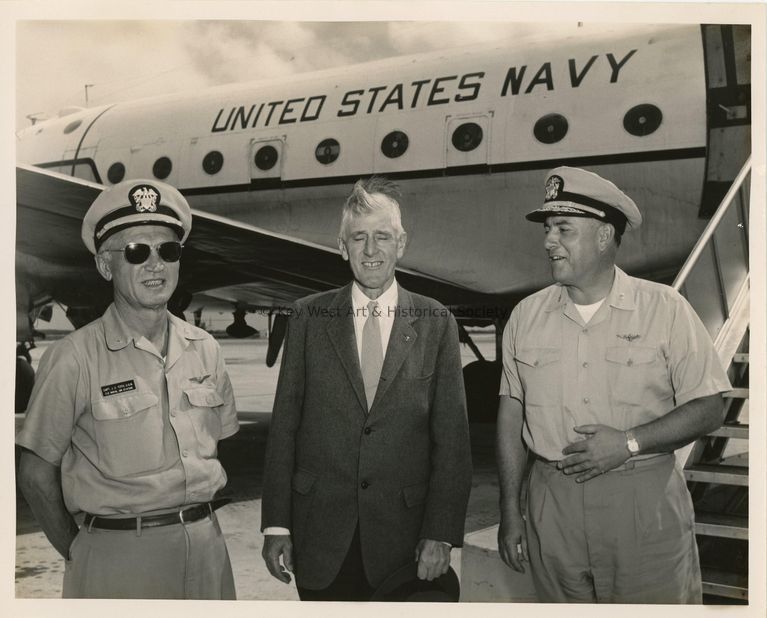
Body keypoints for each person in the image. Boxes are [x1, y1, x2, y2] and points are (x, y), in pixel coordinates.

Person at [496, 166, 731, 603]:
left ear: (604, 236)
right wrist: (510, 510)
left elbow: (710, 405)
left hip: (641, 503)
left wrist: (629, 442)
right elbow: (511, 415)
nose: (549, 241)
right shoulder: (525, 316)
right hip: (552, 504)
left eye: (564, 229)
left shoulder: (665, 309)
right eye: (548, 229)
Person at [16, 179, 239, 599]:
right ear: (105, 265)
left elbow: (216, 444)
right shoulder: (74, 357)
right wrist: (81, 550)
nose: (156, 265)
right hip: (119, 560)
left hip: (208, 550)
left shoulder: (205, 348)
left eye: (168, 251)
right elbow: (34, 473)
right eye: (137, 252)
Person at [261, 176, 472, 601]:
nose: (371, 250)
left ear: (402, 243)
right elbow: (285, 426)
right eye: (359, 238)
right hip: (321, 538)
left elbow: (452, 441)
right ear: (342, 247)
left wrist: (441, 534)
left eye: (382, 237)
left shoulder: (435, 322)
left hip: (405, 542)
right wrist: (277, 525)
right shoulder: (307, 318)